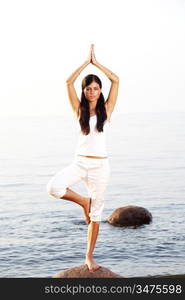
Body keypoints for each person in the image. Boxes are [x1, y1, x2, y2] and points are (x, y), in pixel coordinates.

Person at [46, 44, 119, 273]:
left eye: (96, 88)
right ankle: (83, 201)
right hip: (80, 163)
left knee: (96, 216)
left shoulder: (107, 109)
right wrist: (84, 64)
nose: (92, 91)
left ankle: (89, 256)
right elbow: (68, 82)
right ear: (84, 90)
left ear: (100, 91)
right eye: (89, 88)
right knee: (54, 187)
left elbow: (116, 80)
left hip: (100, 167)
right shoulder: (79, 110)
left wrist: (96, 64)